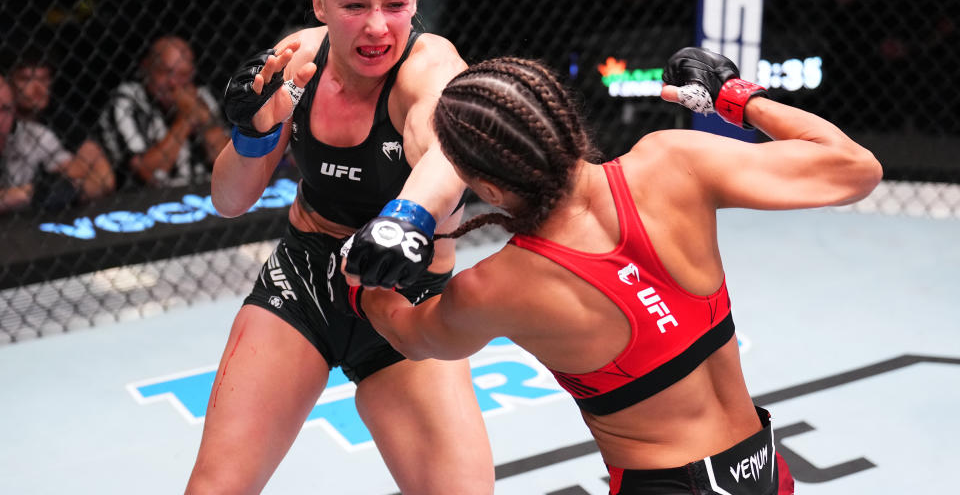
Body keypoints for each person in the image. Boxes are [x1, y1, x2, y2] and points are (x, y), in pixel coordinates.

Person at [342, 50, 883, 495]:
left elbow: (409, 335)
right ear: (565, 120)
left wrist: (362, 266)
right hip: (763, 470)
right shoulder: (672, 161)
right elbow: (856, 169)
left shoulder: (501, 285)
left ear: (486, 187)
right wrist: (734, 98)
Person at [184, 0, 494, 495]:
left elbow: (447, 154)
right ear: (321, 4)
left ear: (416, 4)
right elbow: (229, 199)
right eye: (355, 5)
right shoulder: (296, 61)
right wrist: (249, 135)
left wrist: (405, 215)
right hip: (304, 283)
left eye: (396, 5)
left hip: (404, 300)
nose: (378, 27)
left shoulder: (430, 65)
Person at [98, 35, 230, 188]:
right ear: (146, 68)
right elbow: (147, 172)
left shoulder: (201, 96)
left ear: (192, 73)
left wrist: (205, 122)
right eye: (165, 72)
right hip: (145, 202)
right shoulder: (127, 101)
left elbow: (230, 164)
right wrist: (186, 119)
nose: (173, 83)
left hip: (205, 193)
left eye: (182, 75)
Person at [0, 73, 114, 214]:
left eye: (5, 109)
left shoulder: (33, 135)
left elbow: (100, 180)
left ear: (14, 111)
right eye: (26, 79)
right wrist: (27, 194)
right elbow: (27, 194)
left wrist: (70, 188)